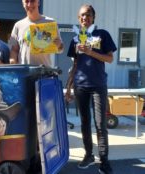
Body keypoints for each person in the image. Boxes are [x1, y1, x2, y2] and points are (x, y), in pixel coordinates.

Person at [65, 4, 117, 174]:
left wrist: (90, 51)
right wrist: (68, 87)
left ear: (93, 17)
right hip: (80, 87)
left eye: (88, 15)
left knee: (101, 125)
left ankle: (104, 162)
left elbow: (109, 58)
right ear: (78, 19)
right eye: (81, 15)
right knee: (85, 124)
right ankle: (88, 155)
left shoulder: (102, 34)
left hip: (98, 86)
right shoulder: (75, 39)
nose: (84, 18)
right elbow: (74, 64)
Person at [9, 0, 64, 67]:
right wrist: (12, 63)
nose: (29, 4)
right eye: (26, 1)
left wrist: (59, 45)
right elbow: (14, 50)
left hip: (44, 72)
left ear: (38, 2)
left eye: (32, 1)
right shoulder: (18, 25)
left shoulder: (50, 23)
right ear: (23, 4)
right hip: (24, 72)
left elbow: (61, 49)